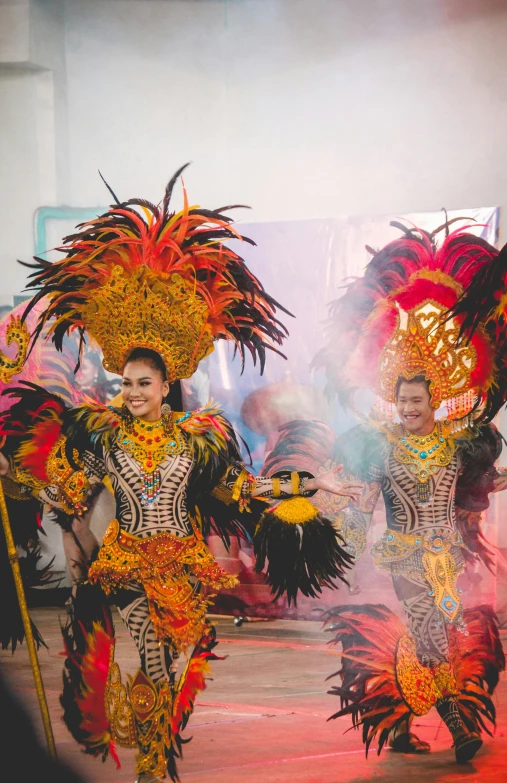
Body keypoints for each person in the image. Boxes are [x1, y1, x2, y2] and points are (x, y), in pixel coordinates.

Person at [0, 168, 360, 782]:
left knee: (177, 661)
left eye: (144, 384)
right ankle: (154, 769)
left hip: (187, 570)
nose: (132, 393)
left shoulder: (202, 440)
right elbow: (67, 489)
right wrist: (15, 476)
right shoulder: (102, 433)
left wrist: (309, 485)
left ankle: (160, 753)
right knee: (154, 662)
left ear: (168, 387)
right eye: (125, 384)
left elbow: (242, 491)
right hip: (131, 565)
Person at [314, 223, 507, 763]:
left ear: (433, 402)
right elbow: (358, 504)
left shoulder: (460, 445)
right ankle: (459, 729)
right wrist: (336, 523)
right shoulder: (377, 448)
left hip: (449, 556)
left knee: (449, 641)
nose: (409, 408)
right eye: (402, 400)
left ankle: (403, 720)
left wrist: (500, 485)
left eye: (417, 400)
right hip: (403, 557)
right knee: (427, 630)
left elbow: (476, 489)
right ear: (393, 401)